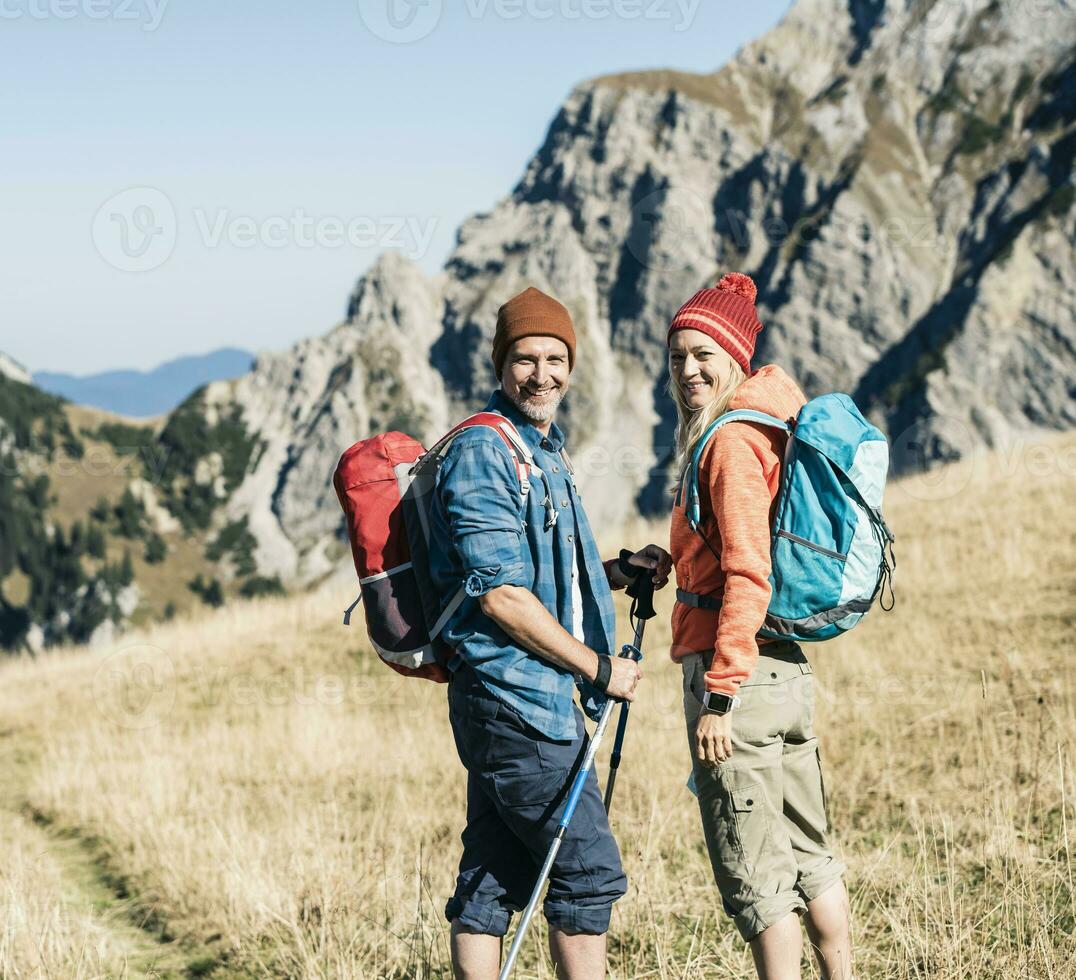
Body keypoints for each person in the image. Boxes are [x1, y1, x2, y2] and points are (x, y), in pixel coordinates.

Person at [430, 285, 673, 980]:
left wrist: (622, 572)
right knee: (588, 875)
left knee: (492, 874)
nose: (543, 374)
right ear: (501, 364)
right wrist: (598, 669)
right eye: (526, 358)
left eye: (556, 358)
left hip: (508, 699)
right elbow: (503, 595)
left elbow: (546, 580)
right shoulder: (485, 451)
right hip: (517, 701)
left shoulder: (537, 447)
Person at [665, 273, 854, 980]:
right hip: (785, 673)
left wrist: (719, 694)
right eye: (678, 356)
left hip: (740, 683)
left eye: (703, 354)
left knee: (759, 881)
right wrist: (675, 563)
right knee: (812, 857)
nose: (688, 369)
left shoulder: (729, 444)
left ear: (736, 356)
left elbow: (750, 570)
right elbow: (731, 559)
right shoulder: (768, 425)